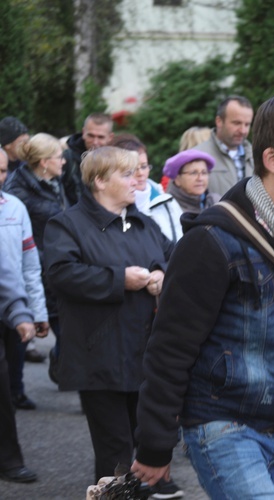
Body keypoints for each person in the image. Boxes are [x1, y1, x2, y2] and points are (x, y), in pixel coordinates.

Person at [131, 91, 274, 500]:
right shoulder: (211, 241)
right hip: (223, 426)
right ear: (272, 159)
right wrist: (155, 444)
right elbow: (169, 348)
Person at [43, 147, 176, 495]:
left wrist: (162, 273)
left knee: (141, 443)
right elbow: (60, 274)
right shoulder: (66, 223)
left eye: (137, 172)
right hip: (98, 356)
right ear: (100, 181)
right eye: (126, 174)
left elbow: (169, 256)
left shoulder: (143, 222)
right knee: (115, 450)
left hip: (143, 354)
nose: (137, 180)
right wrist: (119, 279)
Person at [4, 133, 70, 386]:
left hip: (56, 265)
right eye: (58, 157)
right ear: (43, 162)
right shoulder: (18, 192)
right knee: (20, 333)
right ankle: (15, 390)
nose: (63, 162)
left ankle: (62, 367)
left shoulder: (54, 182)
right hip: (33, 270)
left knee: (67, 329)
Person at [0, 200, 47, 484]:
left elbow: (7, 272)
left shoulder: (15, 207)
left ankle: (8, 459)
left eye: (4, 170)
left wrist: (23, 311)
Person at [0, 148, 49, 413]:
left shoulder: (15, 207)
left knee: (14, 360)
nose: (0, 177)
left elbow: (30, 265)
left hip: (15, 305)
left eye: (4, 170)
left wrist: (37, 312)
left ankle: (16, 393)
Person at [111, 134, 184, 241]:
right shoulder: (110, 208)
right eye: (133, 168)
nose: (140, 173)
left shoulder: (168, 202)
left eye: (144, 166)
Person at [194, 95, 254, 196]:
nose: (243, 130)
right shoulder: (197, 156)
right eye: (236, 123)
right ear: (219, 121)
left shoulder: (257, 156)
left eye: (247, 124)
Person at [61, 113, 114, 204]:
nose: (95, 142)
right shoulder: (67, 159)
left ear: (110, 137)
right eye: (91, 136)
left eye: (100, 137)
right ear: (83, 133)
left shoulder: (117, 160)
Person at [162, 149, 220, 214]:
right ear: (177, 179)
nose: (200, 178)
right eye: (193, 173)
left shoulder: (217, 202)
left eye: (204, 172)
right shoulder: (167, 209)